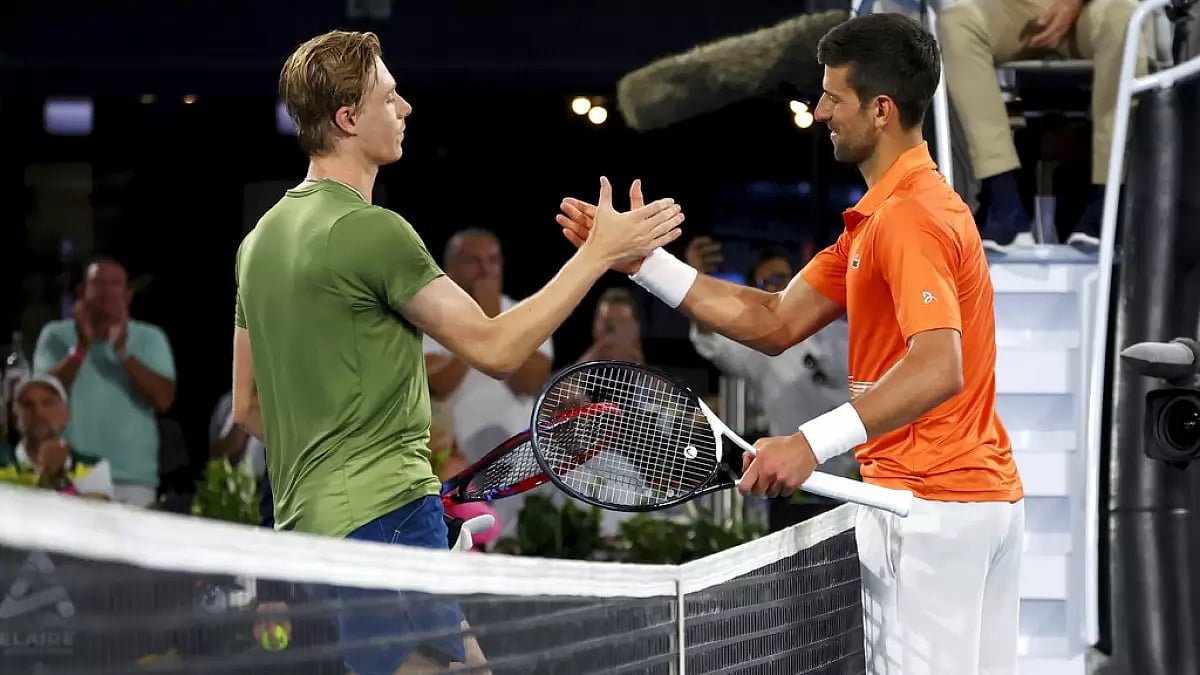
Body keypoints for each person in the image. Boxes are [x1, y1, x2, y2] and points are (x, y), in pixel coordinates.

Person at [556, 14, 1024, 675]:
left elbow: (937, 365)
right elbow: (774, 318)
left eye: (834, 95)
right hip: (969, 503)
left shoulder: (911, 216)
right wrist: (644, 264)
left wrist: (809, 443)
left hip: (931, 510)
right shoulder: (886, 215)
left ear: (881, 109)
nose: (820, 109)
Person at [231, 29, 684, 675]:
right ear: (348, 118)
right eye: (389, 97)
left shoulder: (260, 242)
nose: (405, 107)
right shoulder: (371, 231)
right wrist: (598, 255)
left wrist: (349, 457)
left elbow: (249, 407)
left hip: (315, 526)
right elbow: (496, 346)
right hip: (384, 517)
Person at [938, 0, 1149, 253]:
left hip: (1093, 8)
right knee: (956, 23)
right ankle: (1004, 198)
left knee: (1123, 17)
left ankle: (1108, 202)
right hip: (1019, 12)